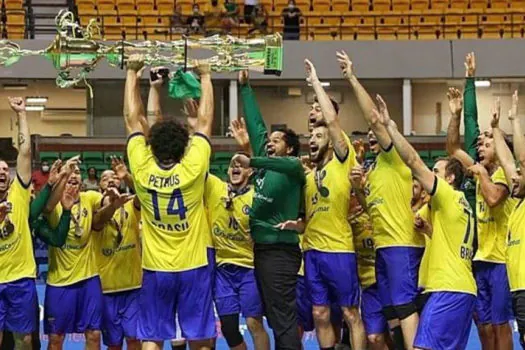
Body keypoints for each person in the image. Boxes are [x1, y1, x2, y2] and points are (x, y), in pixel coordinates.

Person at [124, 54, 216, 350]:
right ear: (182, 148)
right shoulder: (192, 170)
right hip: (194, 267)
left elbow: (131, 119)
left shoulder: (141, 168)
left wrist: (131, 73)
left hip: (156, 268)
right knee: (199, 337)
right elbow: (204, 121)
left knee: (152, 336)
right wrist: (205, 76)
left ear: (152, 146)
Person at [375, 95, 476, 350]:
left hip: (447, 289)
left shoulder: (447, 195)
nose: (431, 176)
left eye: (438, 172)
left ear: (450, 178)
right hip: (462, 289)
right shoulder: (457, 204)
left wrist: (391, 127)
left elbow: (413, 161)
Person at [339, 51, 424, 350]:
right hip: (383, 248)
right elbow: (368, 207)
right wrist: (358, 188)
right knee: (391, 316)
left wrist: (351, 77)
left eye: (377, 136)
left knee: (405, 310)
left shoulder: (393, 158)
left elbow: (374, 119)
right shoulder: (373, 170)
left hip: (402, 245)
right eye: (371, 139)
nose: (373, 139)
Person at [446, 67, 515, 349]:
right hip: (480, 259)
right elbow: (452, 147)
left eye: (488, 143)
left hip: (501, 261)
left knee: (500, 325)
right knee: (483, 325)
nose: (482, 146)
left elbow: (493, 199)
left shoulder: (506, 175)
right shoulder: (479, 168)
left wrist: (480, 173)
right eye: (481, 143)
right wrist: (454, 115)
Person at [236, 70, 304, 349]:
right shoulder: (267, 162)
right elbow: (256, 126)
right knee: (272, 318)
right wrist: (245, 88)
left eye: (276, 141)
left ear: (289, 149)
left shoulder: (292, 167)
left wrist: (253, 160)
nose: (270, 143)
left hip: (280, 252)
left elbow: (281, 162)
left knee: (283, 319)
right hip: (261, 252)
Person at [300, 59, 366, 349]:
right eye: (310, 136)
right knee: (320, 313)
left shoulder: (342, 159)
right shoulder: (309, 175)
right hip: (312, 252)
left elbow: (333, 122)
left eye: (318, 134)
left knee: (350, 313)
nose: (312, 139)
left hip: (339, 250)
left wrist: (315, 82)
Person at [44, 161, 130, 350]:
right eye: (68, 179)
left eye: (76, 178)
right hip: (60, 282)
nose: (73, 181)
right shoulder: (53, 204)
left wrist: (112, 200)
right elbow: (47, 206)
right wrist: (62, 176)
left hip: (88, 278)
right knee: (56, 338)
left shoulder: (88, 197)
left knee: (94, 334)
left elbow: (104, 202)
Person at [205, 133, 270, 349]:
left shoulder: (256, 195)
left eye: (241, 165)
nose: (235, 167)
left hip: (249, 268)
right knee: (229, 328)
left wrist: (246, 145)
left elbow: (265, 171)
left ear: (250, 171)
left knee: (253, 322)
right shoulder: (215, 188)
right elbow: (197, 166)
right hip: (223, 270)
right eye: (233, 164)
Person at [0, 97, 37, 349]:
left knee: (24, 339)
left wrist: (22, 114)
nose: (2, 173)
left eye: (5, 170)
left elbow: (25, 152)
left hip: (21, 278)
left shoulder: (19, 193)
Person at [95, 163, 142, 350]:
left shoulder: (132, 206)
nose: (110, 180)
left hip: (133, 285)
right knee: (113, 343)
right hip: (106, 288)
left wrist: (127, 176)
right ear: (100, 187)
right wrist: (112, 205)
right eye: (105, 178)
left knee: (134, 339)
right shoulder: (93, 208)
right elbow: (99, 221)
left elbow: (145, 194)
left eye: (113, 177)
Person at [492, 90, 525, 349]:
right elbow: (507, 162)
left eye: (520, 174)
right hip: (517, 288)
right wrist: (495, 129)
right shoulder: (517, 204)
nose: (513, 177)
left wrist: (514, 121)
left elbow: (521, 160)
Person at [349, 171, 391, 350]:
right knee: (374, 338)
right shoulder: (351, 221)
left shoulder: (386, 213)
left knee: (398, 335)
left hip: (392, 283)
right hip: (369, 286)